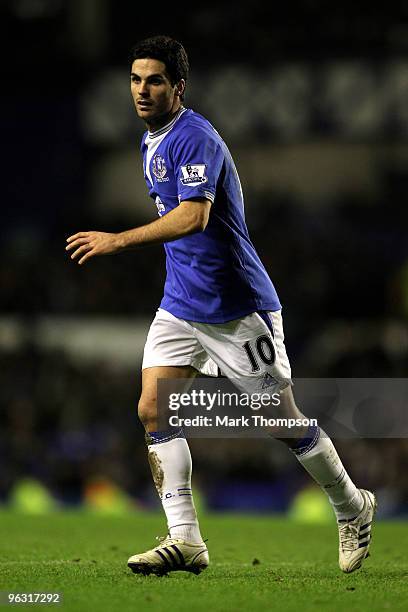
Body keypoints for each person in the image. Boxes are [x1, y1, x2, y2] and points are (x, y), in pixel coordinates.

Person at [66, 35, 376, 576]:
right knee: (151, 409)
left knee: (281, 421)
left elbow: (194, 217)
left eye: (154, 80)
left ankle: (353, 506)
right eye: (136, 80)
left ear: (178, 87)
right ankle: (185, 540)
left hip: (236, 306)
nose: (142, 90)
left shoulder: (195, 137)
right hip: (181, 302)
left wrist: (117, 240)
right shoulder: (150, 140)